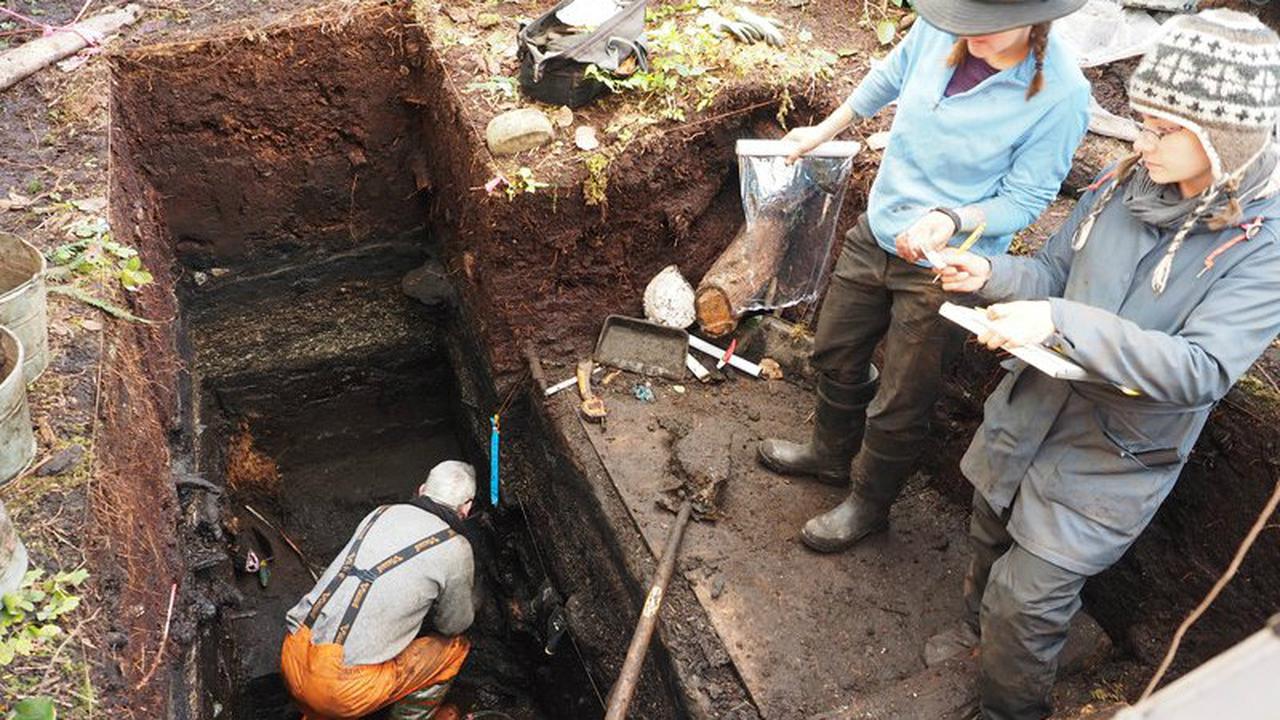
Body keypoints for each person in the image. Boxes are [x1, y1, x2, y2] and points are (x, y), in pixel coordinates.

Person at [932, 10, 1280, 718]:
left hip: (1110, 459)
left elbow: (1203, 367)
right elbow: (1055, 273)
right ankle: (982, 639)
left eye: (1159, 127)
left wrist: (1062, 322)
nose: (1137, 138)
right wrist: (990, 274)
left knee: (1026, 604)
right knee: (987, 535)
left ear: (1225, 139)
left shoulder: (1261, 245)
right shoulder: (1125, 184)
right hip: (1028, 417)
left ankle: (1008, 707)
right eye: (1140, 119)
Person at [757, 0, 1090, 552]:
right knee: (835, 350)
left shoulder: (1062, 93)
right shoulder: (942, 27)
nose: (970, 34)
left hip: (946, 266)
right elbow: (887, 76)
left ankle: (869, 503)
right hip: (881, 228)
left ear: (1036, 18)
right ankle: (830, 454)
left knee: (902, 395)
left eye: (988, 27)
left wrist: (951, 219)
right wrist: (822, 130)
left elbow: (1026, 199)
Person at [280, 461, 478, 720]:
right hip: (340, 691)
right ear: (467, 507)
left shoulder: (380, 513)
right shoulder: (456, 547)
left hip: (293, 654)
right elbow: (453, 624)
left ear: (421, 490)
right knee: (454, 648)